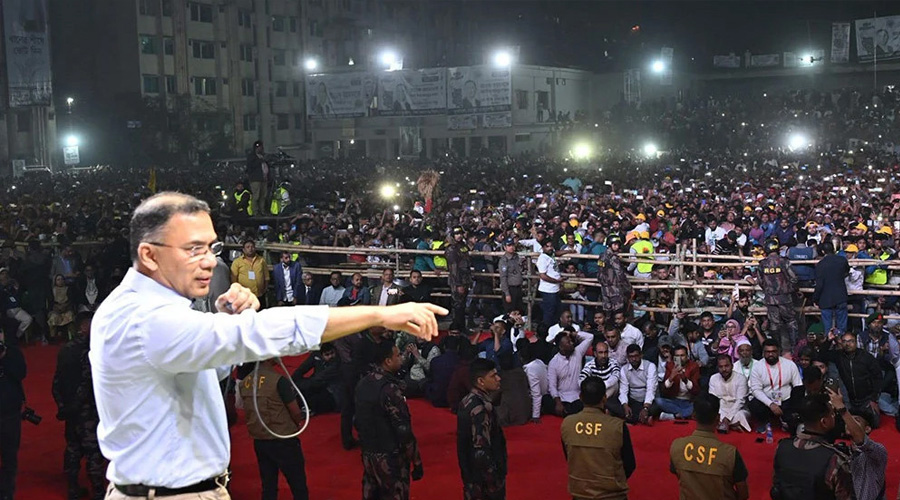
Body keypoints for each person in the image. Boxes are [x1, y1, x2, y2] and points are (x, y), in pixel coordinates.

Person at [91, 192, 445, 499]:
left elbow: (209, 369)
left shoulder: (150, 310)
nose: (210, 261)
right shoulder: (144, 319)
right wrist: (380, 315)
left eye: (212, 247)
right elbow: (264, 332)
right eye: (194, 249)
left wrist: (223, 318)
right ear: (149, 255)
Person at [355, 341, 423, 500]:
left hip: (368, 453)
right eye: (398, 355)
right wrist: (416, 460)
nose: (401, 358)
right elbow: (403, 429)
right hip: (390, 457)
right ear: (388, 361)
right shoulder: (390, 389)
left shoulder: (363, 383)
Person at [52, 312, 106, 500]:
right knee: (93, 452)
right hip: (87, 409)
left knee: (73, 449)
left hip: (70, 409)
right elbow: (88, 381)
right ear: (84, 326)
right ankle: (98, 492)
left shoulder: (65, 350)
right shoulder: (90, 351)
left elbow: (56, 381)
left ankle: (73, 488)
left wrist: (62, 405)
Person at [240, 358, 310, 500]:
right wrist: (296, 423)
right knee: (298, 484)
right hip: (283, 439)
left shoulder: (245, 382)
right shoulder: (279, 381)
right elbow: (295, 412)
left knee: (268, 484)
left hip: (260, 439)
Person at [561, 377, 636, 500]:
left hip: (580, 494)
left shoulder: (567, 424)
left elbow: (569, 457)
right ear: (605, 397)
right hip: (613, 495)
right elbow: (629, 465)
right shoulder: (617, 426)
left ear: (580, 397)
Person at [771, 393, 854, 500]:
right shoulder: (834, 459)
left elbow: (776, 483)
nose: (834, 417)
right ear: (824, 422)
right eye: (832, 414)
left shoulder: (782, 447)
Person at [669, 393, 749, 500]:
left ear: (693, 416)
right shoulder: (730, 454)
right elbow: (743, 494)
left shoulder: (677, 446)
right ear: (718, 418)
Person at [457, 358, 507, 500]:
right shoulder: (480, 408)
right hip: (484, 482)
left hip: (471, 477)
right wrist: (493, 483)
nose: (498, 378)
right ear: (481, 381)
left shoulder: (467, 400)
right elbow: (481, 450)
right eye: (493, 376)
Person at [827, 388, 888, 500]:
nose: (850, 423)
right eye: (849, 420)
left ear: (867, 429)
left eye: (857, 420)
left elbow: (861, 440)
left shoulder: (878, 451)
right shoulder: (843, 452)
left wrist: (843, 410)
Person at [829, 331, 883, 429]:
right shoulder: (839, 356)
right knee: (842, 426)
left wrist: (874, 399)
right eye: (844, 341)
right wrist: (829, 340)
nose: (847, 344)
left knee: (875, 424)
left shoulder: (866, 357)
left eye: (851, 341)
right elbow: (822, 355)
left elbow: (878, 377)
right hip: (849, 401)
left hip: (866, 400)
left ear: (856, 342)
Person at [748, 339, 802, 431]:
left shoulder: (790, 365)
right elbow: (756, 390)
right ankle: (764, 422)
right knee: (754, 404)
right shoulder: (757, 367)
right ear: (763, 353)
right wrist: (771, 404)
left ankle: (786, 420)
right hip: (767, 402)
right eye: (767, 352)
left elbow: (798, 386)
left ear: (779, 351)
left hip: (786, 400)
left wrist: (794, 404)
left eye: (773, 351)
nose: (770, 354)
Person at [0, 327, 25, 500]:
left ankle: (7, 493)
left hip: (10, 414)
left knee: (10, 457)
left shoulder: (12, 352)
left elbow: (21, 373)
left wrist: (4, 356)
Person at [548, 329, 593, 416]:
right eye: (568, 342)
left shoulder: (578, 352)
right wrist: (558, 403)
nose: (572, 343)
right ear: (561, 347)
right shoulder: (553, 363)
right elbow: (552, 386)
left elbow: (590, 337)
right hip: (562, 398)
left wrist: (574, 334)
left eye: (571, 341)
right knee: (546, 399)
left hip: (578, 397)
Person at [579, 338, 624, 418]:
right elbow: (581, 379)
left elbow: (615, 376)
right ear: (595, 353)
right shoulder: (589, 365)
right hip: (596, 393)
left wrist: (600, 387)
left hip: (608, 392)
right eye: (600, 353)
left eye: (605, 352)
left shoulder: (613, 363)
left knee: (614, 385)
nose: (603, 356)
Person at [813, 241, 850, 335]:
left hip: (825, 298)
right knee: (842, 327)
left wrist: (815, 299)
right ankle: (842, 341)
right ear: (833, 249)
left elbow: (819, 285)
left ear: (823, 251)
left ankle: (829, 341)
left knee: (827, 328)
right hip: (840, 295)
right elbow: (846, 272)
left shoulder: (820, 265)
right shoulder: (842, 260)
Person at [655, 345, 701, 420]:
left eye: (682, 355)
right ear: (674, 357)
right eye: (677, 356)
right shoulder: (670, 366)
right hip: (674, 401)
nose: (680, 358)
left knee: (699, 406)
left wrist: (685, 380)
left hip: (688, 401)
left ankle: (674, 416)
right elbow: (664, 391)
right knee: (658, 401)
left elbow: (696, 390)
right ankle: (685, 414)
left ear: (687, 356)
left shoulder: (693, 366)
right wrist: (671, 378)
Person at [707, 354, 751, 432]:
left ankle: (723, 424)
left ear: (732, 366)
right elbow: (713, 400)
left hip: (738, 409)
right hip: (721, 409)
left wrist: (727, 418)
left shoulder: (741, 379)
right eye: (721, 367)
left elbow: (741, 401)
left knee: (741, 416)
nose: (724, 369)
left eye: (726, 366)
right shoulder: (713, 378)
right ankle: (734, 425)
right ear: (717, 368)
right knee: (711, 413)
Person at [618, 344, 657, 425]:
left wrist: (645, 408)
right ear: (627, 358)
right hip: (633, 401)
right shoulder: (624, 369)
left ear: (641, 355)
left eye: (636, 356)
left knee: (658, 405)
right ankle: (642, 418)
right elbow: (623, 390)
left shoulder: (650, 366)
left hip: (648, 401)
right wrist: (625, 406)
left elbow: (651, 389)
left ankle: (632, 418)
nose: (634, 359)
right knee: (612, 402)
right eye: (631, 357)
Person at [596, 234, 632, 314]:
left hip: (604, 288)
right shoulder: (613, 257)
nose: (617, 247)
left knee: (608, 312)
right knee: (618, 311)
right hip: (614, 288)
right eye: (615, 244)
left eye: (618, 245)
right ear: (610, 245)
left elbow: (599, 270)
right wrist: (627, 287)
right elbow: (619, 273)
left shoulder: (602, 256)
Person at [446, 226, 473, 330]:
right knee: (458, 306)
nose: (459, 236)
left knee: (462, 305)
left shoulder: (463, 246)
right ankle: (457, 328)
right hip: (457, 281)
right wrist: (458, 284)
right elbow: (453, 268)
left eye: (460, 234)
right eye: (457, 234)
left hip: (465, 279)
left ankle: (462, 328)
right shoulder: (452, 248)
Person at [537, 239, 566, 327]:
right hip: (548, 290)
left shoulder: (551, 254)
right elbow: (543, 275)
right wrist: (557, 281)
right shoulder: (543, 258)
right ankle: (546, 330)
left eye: (551, 246)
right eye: (547, 246)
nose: (550, 248)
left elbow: (557, 253)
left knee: (557, 311)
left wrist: (569, 251)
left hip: (554, 289)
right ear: (543, 248)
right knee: (549, 313)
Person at [498, 238, 524, 314]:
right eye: (509, 246)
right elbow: (503, 278)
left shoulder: (517, 257)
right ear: (505, 247)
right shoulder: (504, 260)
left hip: (518, 288)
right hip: (510, 288)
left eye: (512, 245)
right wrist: (507, 294)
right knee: (510, 313)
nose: (511, 247)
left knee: (519, 311)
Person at [246, 140, 269, 217]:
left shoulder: (262, 156)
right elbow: (250, 166)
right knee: (256, 196)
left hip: (264, 179)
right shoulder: (252, 156)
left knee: (263, 196)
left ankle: (262, 210)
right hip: (255, 179)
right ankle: (255, 211)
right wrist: (260, 161)